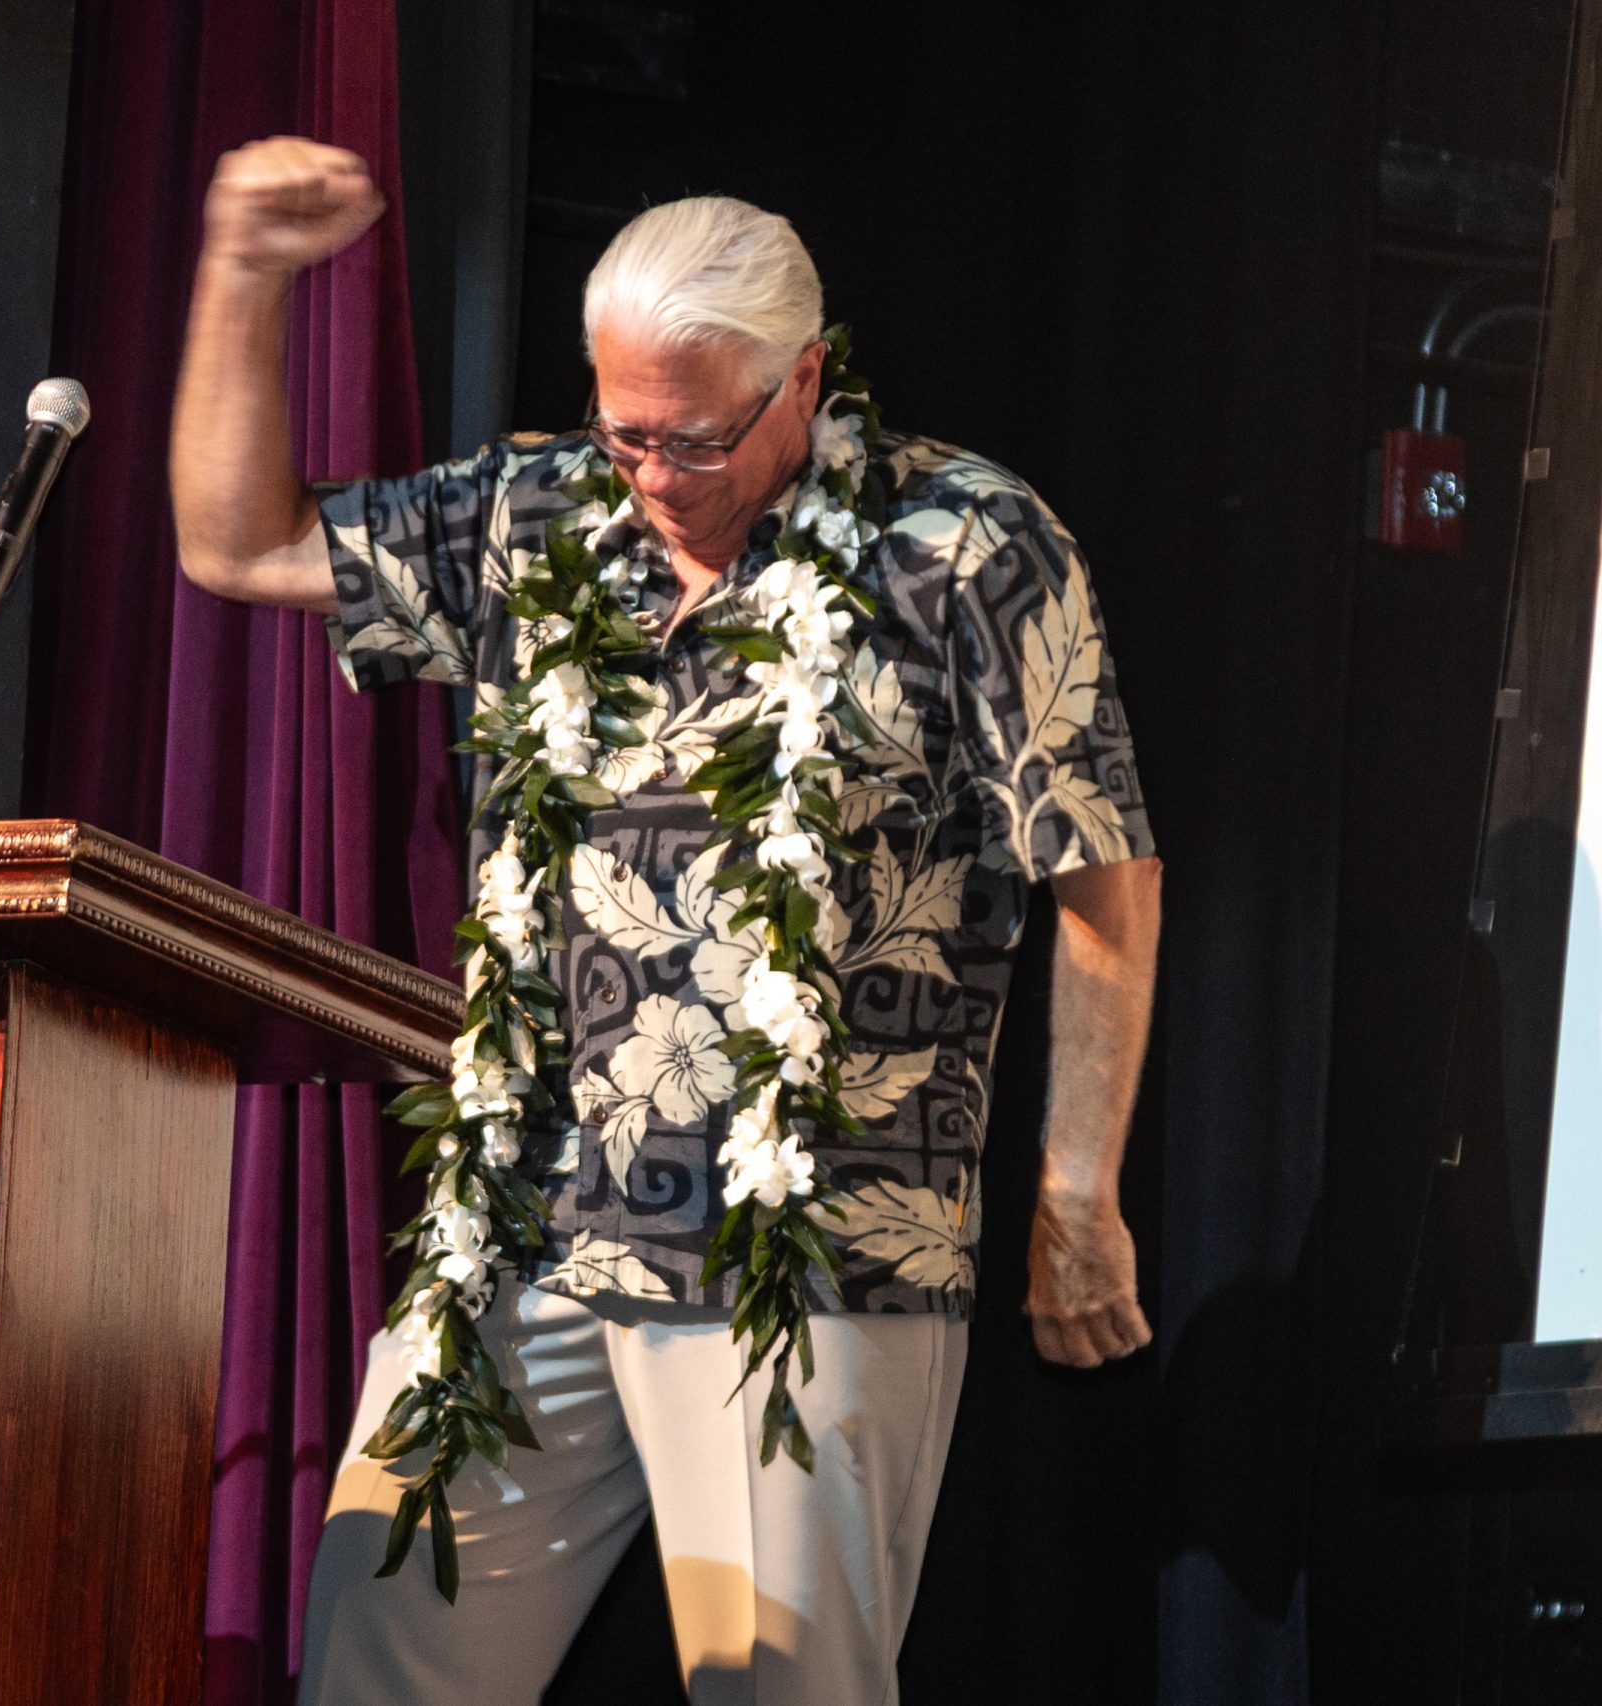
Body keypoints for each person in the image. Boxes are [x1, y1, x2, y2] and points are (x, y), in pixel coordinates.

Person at [170, 135, 1163, 1706]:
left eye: (692, 440)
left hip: (816, 1249)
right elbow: (241, 543)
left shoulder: (965, 546)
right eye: (621, 427)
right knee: (374, 1665)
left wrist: (1079, 1187)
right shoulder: (544, 514)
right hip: (521, 1236)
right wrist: (242, 275)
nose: (649, 473)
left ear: (804, 379)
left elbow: (1101, 870)